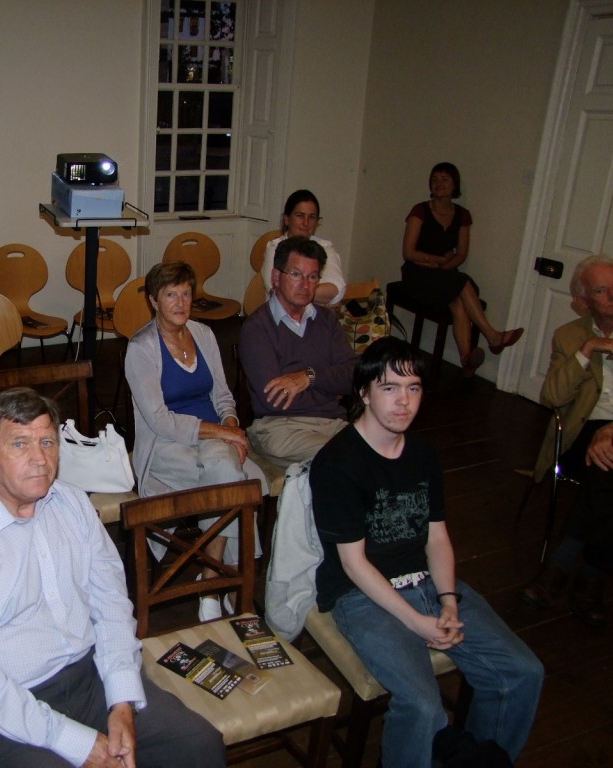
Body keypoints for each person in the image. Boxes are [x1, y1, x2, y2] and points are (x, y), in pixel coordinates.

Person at [0, 388, 226, 768]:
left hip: (84, 676)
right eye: (20, 444)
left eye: (47, 442)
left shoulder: (72, 503)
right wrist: (79, 743)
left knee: (197, 744)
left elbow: (110, 604)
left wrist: (122, 699)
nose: (39, 459)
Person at [310, 337, 543, 768]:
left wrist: (448, 601)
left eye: (414, 388)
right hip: (361, 597)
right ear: (363, 393)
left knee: (522, 673)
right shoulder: (337, 463)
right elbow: (353, 563)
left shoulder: (423, 454)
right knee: (423, 706)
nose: (404, 402)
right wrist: (418, 621)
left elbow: (437, 537)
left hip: (428, 584)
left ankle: (475, 760)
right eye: (389, 388)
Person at [125, 261, 267, 622]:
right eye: (171, 294)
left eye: (186, 293)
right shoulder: (140, 348)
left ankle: (210, 576)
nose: (180, 302)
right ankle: (227, 580)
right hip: (165, 447)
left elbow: (223, 395)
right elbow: (159, 420)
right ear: (153, 301)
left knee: (224, 470)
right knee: (236, 482)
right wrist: (222, 432)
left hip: (212, 442)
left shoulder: (203, 335)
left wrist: (232, 424)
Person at [520, 255, 613, 626]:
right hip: (582, 435)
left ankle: (558, 571)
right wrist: (589, 349)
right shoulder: (570, 335)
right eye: (602, 291)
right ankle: (591, 580)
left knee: (607, 468)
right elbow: (553, 397)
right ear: (583, 301)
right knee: (606, 466)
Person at [240, 236, 357, 470]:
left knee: (383, 451)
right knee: (347, 459)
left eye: (313, 276)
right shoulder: (257, 328)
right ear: (275, 277)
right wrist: (330, 391)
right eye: (296, 274)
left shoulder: (327, 321)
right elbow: (274, 400)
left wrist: (309, 377)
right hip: (280, 428)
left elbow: (353, 376)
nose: (305, 284)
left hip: (333, 423)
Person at [400, 162, 523, 376]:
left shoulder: (462, 215)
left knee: (458, 299)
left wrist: (442, 266)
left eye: (445, 179)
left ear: (455, 184)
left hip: (443, 273)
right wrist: (439, 260)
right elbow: (409, 253)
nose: (439, 184)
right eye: (435, 179)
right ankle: (493, 336)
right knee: (462, 283)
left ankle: (466, 358)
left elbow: (461, 254)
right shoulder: (420, 210)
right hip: (417, 275)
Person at [261, 189, 347, 305]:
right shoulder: (274, 247)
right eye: (300, 216)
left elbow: (336, 290)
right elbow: (277, 290)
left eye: (311, 217)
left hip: (317, 319)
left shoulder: (325, 247)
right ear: (287, 219)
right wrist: (316, 289)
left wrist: (296, 290)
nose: (306, 223)